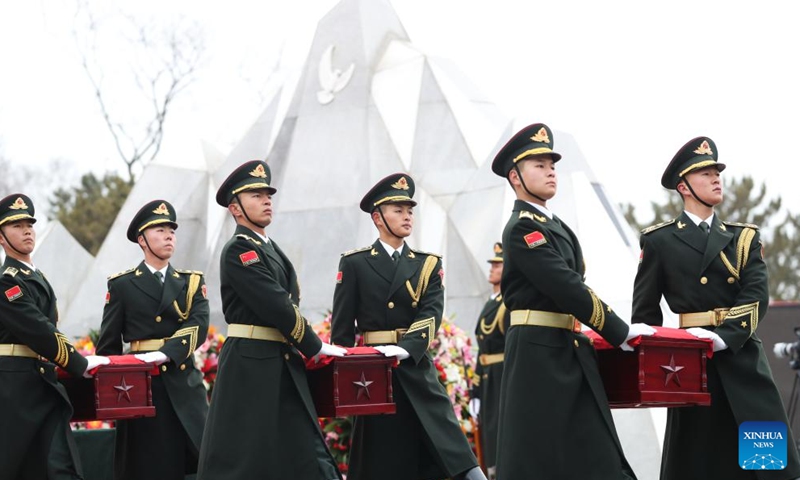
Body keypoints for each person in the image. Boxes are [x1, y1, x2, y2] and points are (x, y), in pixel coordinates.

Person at [490, 123, 654, 479]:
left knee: (595, 453)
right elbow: (565, 285)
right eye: (539, 165)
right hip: (537, 353)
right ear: (515, 177)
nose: (550, 171)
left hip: (566, 347)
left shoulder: (558, 227)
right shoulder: (521, 228)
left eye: (552, 165)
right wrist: (619, 331)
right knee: (539, 455)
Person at [632, 136, 800, 480]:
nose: (716, 178)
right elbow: (645, 316)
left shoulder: (743, 238)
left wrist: (721, 338)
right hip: (691, 369)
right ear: (684, 186)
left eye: (716, 172)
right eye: (705, 173)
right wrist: (657, 371)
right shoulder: (659, 241)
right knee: (699, 463)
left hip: (742, 359)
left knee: (767, 464)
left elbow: (757, 297)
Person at [331, 173, 486, 480]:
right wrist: (346, 381)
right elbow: (342, 331)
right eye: (397, 210)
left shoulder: (426, 264)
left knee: (450, 451)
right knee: (381, 459)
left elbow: (431, 313)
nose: (407, 216)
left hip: (414, 365)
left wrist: (404, 348)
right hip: (372, 373)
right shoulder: (355, 264)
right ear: (377, 217)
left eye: (410, 210)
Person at [197, 160, 346, 480]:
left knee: (303, 452)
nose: (266, 200)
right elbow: (275, 303)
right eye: (256, 195)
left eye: (268, 194)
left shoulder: (270, 248)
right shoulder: (239, 250)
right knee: (249, 457)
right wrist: (314, 344)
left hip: (280, 359)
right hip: (252, 364)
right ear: (235, 209)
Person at [96, 199, 210, 480]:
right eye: (159, 230)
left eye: (171, 229)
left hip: (185, 384)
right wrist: (116, 397)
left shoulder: (190, 281)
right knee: (150, 467)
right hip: (143, 390)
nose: (169, 235)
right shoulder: (122, 285)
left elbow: (199, 324)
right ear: (142, 239)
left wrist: (166, 353)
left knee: (204, 461)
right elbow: (108, 346)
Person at [0, 193, 109, 479]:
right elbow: (38, 329)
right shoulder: (8, 281)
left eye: (29, 224)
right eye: (16, 225)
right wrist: (79, 363)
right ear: (1, 237)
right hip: (15, 389)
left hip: (41, 383)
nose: (26, 230)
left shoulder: (35, 276)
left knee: (59, 466)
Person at [468, 242, 509, 480]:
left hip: (503, 377)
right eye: (492, 264)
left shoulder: (509, 303)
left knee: (500, 435)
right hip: (488, 381)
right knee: (489, 437)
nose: (492, 269)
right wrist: (475, 391)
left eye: (498, 264)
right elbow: (482, 352)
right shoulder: (491, 303)